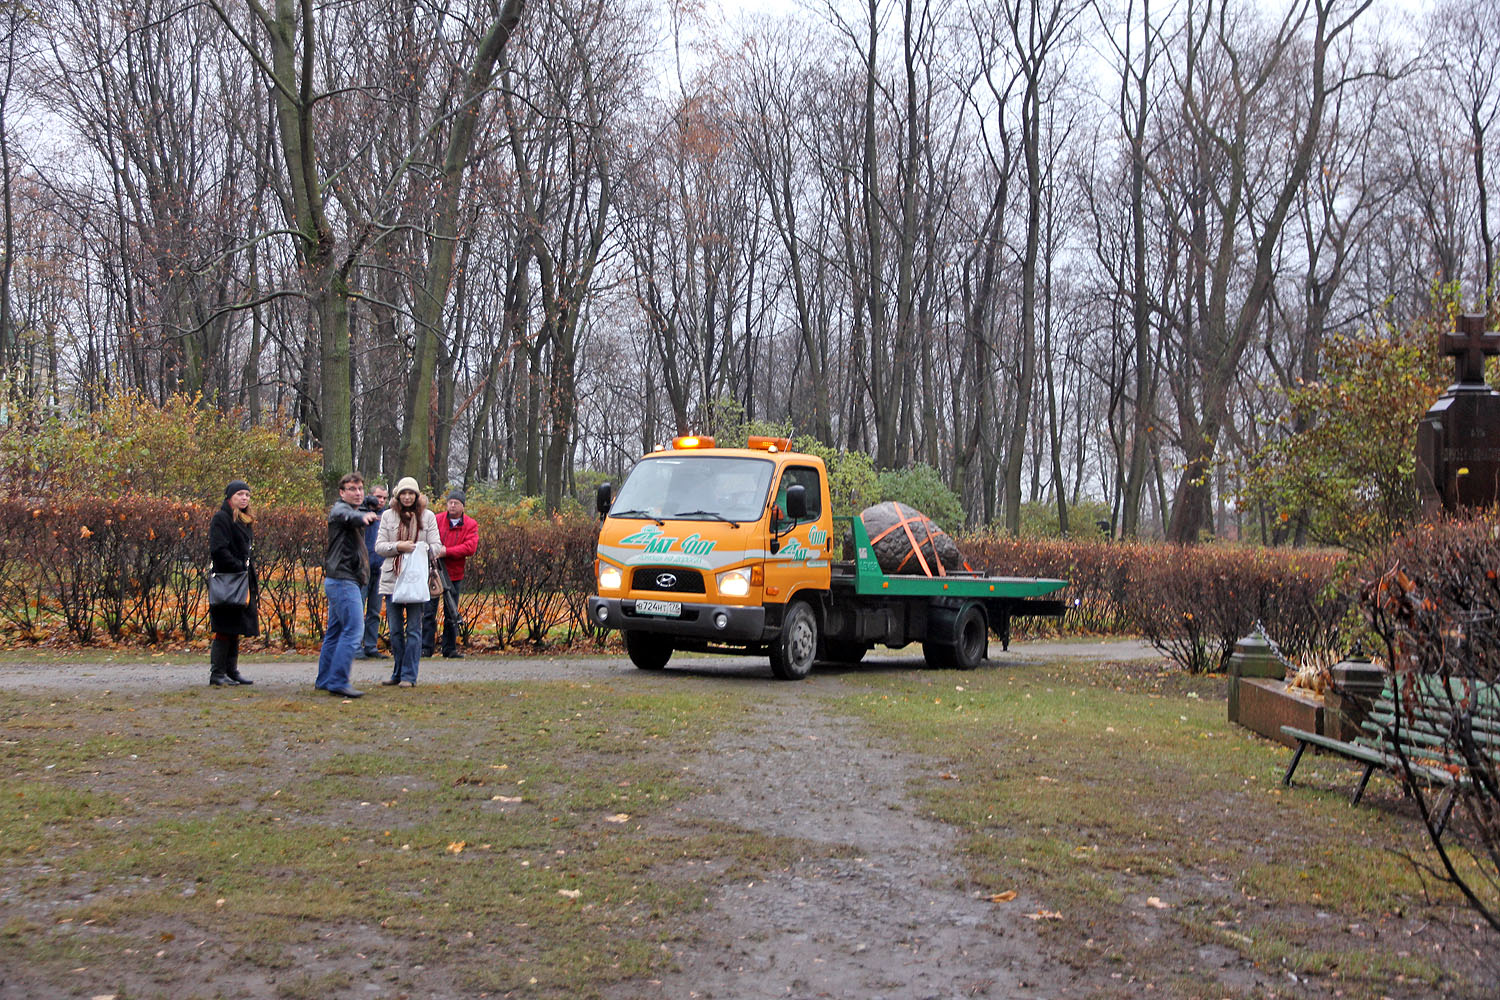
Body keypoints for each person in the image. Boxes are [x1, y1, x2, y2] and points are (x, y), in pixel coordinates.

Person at [315, 473, 380, 698]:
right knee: (354, 630)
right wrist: (363, 517)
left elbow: (358, 511)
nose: (358, 492)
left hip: (340, 580)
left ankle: (325, 679)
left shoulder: (354, 509)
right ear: (342, 493)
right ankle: (338, 681)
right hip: (343, 580)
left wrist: (368, 508)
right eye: (352, 489)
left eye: (360, 488)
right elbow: (347, 516)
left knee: (335, 632)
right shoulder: (340, 511)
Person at [375, 477, 444, 687]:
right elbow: (379, 546)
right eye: (403, 493)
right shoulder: (388, 516)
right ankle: (397, 672)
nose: (407, 497)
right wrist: (398, 547)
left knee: (414, 629)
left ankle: (409, 675)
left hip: (416, 579)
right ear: (398, 495)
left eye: (410, 493)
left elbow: (437, 546)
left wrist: (420, 549)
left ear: (416, 495)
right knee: (395, 630)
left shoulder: (428, 516)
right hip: (393, 579)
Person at [208, 479, 259, 687]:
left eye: (247, 495)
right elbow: (218, 549)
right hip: (228, 580)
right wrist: (238, 566)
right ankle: (218, 673)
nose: (244, 498)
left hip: (240, 580)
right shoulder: (221, 518)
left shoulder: (244, 519)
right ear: (230, 497)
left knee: (235, 626)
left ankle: (231, 670)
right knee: (224, 627)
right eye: (240, 494)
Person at [423, 488, 477, 658]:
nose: (452, 505)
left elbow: (470, 547)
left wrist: (447, 551)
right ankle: (425, 648)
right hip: (433, 572)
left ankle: (449, 649)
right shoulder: (437, 519)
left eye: (456, 503)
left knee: (451, 612)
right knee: (428, 611)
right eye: (450, 502)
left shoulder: (470, 524)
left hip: (454, 574)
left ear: (463, 506)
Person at [357, 482, 390, 659]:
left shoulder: (386, 517)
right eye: (378, 497)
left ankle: (370, 645)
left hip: (380, 569)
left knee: (374, 611)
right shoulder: (360, 514)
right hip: (363, 569)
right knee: (358, 609)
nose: (381, 501)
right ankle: (355, 646)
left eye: (384, 498)